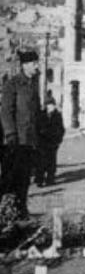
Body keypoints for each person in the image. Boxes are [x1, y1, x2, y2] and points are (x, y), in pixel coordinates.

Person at [0, 50, 41, 218]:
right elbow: (6, 112)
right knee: (9, 178)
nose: (36, 66)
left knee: (24, 178)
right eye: (33, 63)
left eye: (36, 63)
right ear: (24, 65)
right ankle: (5, 211)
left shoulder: (33, 84)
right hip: (14, 141)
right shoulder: (13, 84)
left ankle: (21, 210)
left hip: (29, 141)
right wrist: (10, 134)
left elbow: (35, 113)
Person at [35, 96, 65, 187]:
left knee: (51, 162)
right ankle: (39, 180)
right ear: (46, 106)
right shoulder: (41, 115)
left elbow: (61, 129)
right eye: (49, 105)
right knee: (40, 162)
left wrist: (58, 140)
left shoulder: (57, 115)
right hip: (42, 142)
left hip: (52, 142)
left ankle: (50, 179)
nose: (51, 107)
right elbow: (36, 128)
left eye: (52, 105)